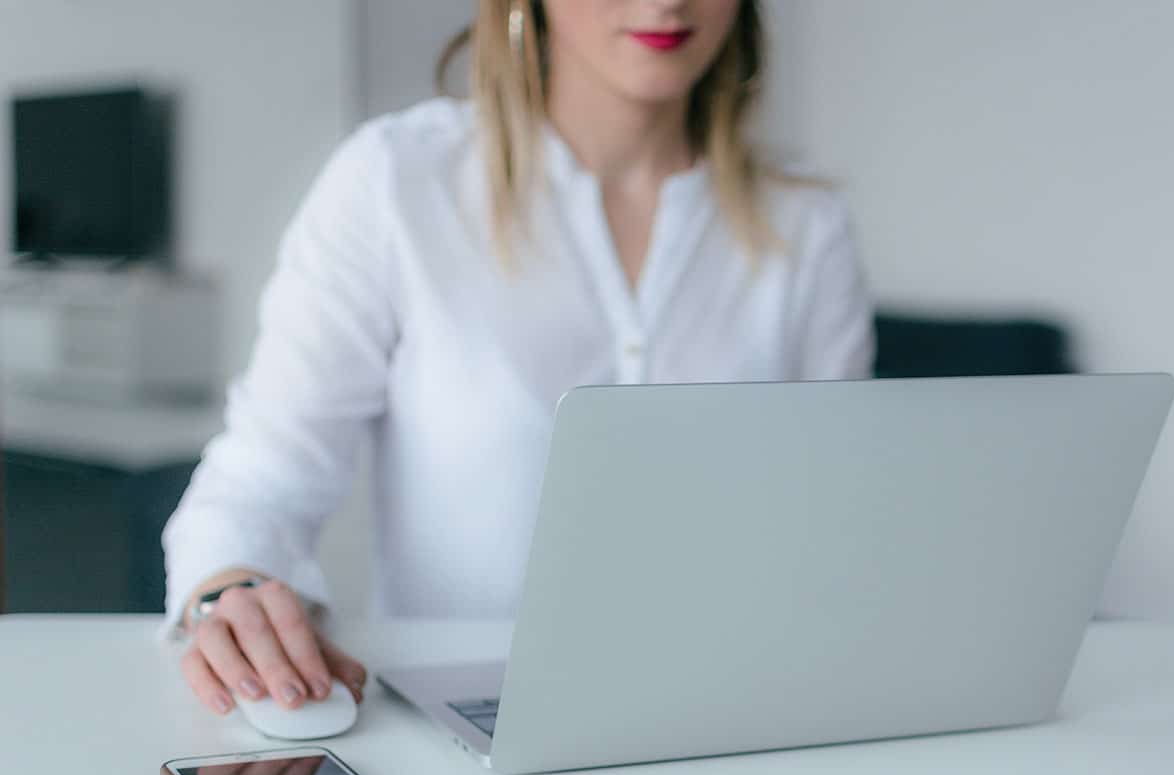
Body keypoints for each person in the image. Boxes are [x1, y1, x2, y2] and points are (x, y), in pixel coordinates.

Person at [163, 0, 875, 716]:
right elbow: (260, 484)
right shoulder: (397, 182)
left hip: (735, 715)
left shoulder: (807, 227)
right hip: (465, 720)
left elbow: (841, 524)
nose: (667, 1)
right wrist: (230, 593)